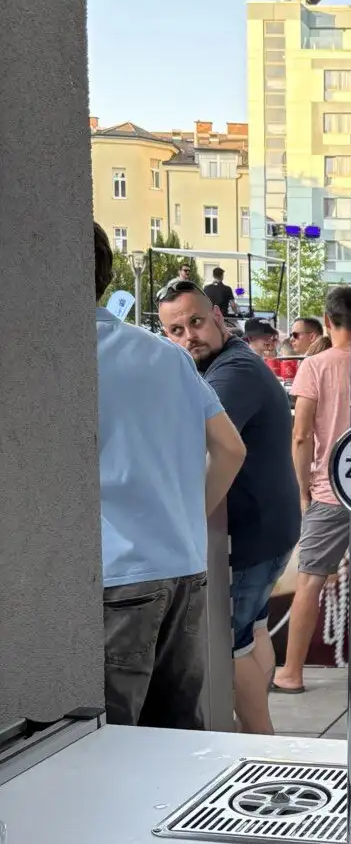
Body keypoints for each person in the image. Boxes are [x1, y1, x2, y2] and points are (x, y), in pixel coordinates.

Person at [94, 226, 245, 729]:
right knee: (178, 739)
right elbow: (230, 448)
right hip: (181, 566)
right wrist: (185, 517)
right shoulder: (167, 354)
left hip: (117, 575)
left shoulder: (52, 359)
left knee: (109, 745)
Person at [157, 280, 301, 734]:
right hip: (268, 528)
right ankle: (263, 734)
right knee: (253, 630)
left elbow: (190, 440)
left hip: (252, 533)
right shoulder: (230, 363)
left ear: (218, 317)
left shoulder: (232, 373)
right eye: (176, 330)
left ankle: (261, 744)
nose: (189, 337)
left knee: (229, 643)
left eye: (196, 322)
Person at [273, 286, 351, 695]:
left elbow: (301, 434)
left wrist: (303, 489)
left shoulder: (315, 366)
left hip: (330, 489)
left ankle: (291, 672)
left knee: (310, 579)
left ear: (327, 321)